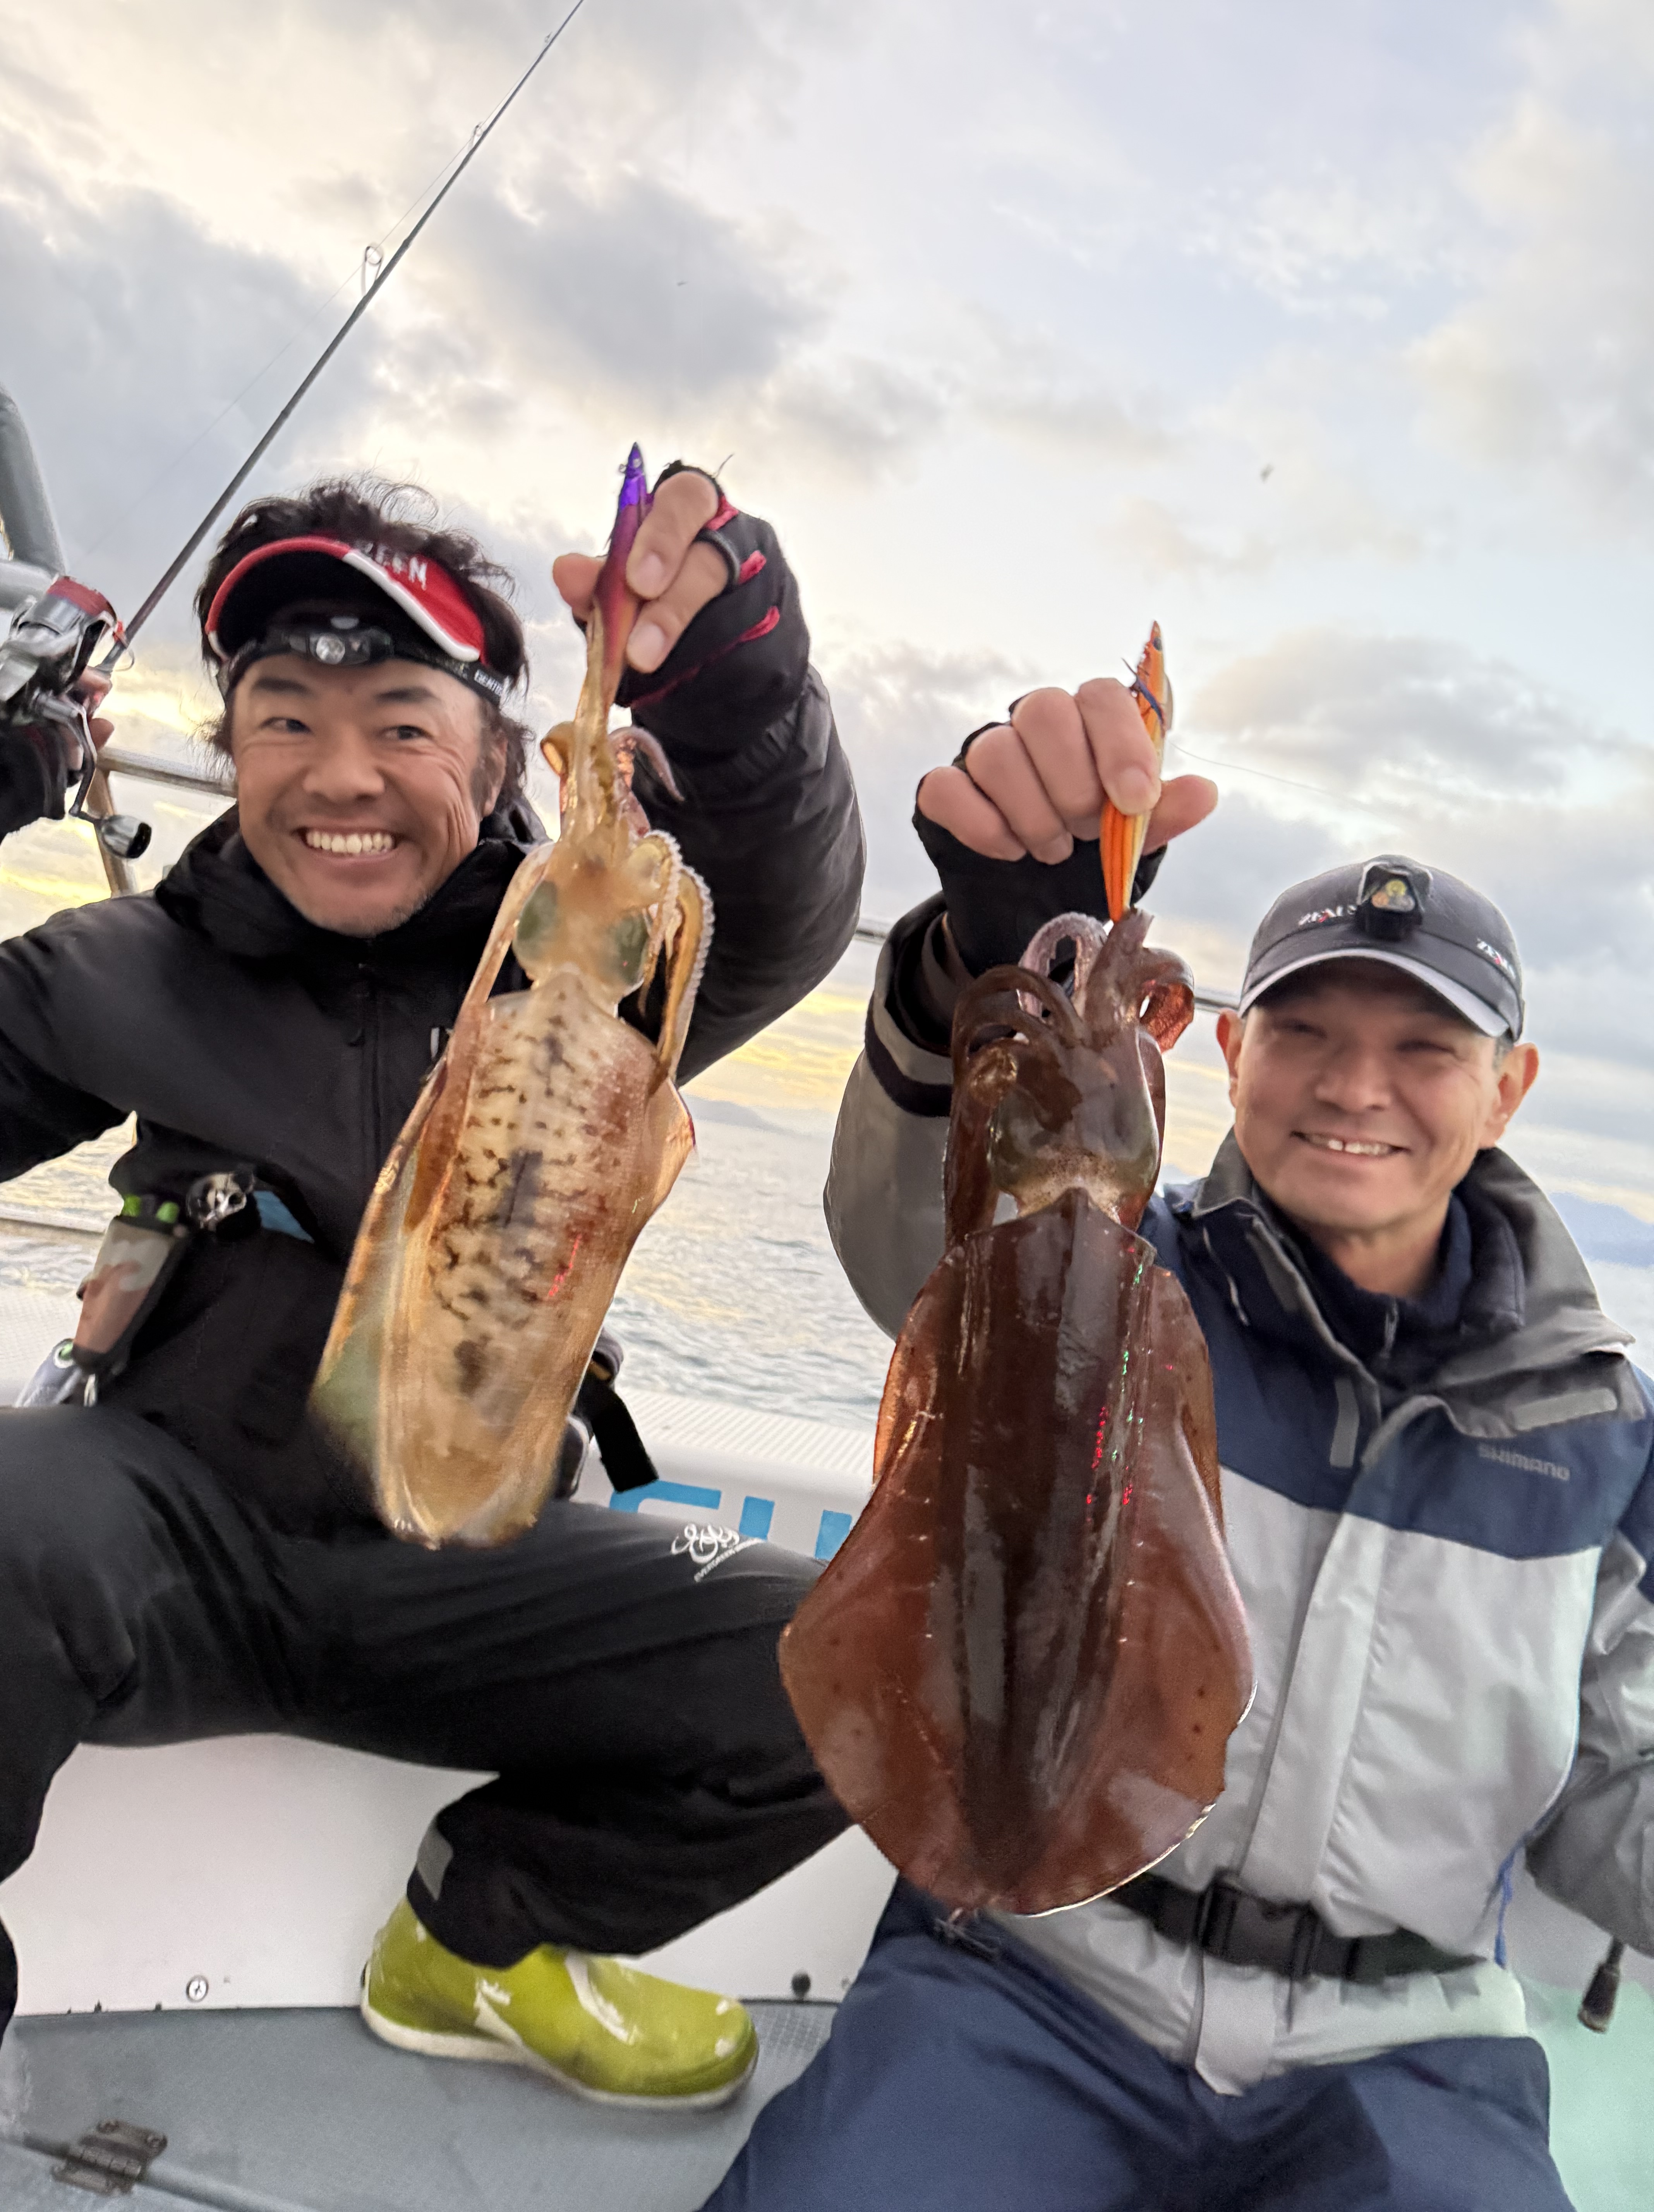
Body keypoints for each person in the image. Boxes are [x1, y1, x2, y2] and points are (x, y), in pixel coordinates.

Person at [705, 675, 1654, 2206]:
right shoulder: (1102, 1268)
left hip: (1405, 2058)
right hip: (1035, 1976)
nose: (1355, 1086)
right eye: (1306, 1031)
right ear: (1229, 1051)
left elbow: (1614, 1785)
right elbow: (909, 1248)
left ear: (1510, 1087)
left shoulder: (1602, 1439)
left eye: (1425, 1047)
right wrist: (975, 969)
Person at [0, 462, 861, 2106]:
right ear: (228, 746)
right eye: (284, 719)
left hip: (479, 1564)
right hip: (168, 1527)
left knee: (865, 1662)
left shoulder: (615, 961)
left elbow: (784, 898)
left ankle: (484, 1940)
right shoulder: (123, 967)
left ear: (494, 751)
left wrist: (745, 707)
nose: (344, 776)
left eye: (402, 721)